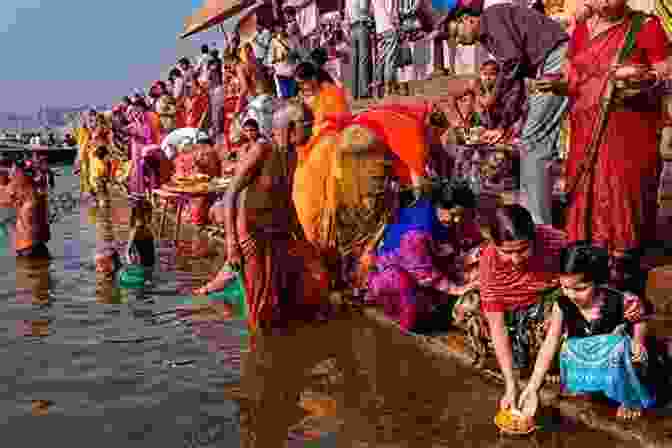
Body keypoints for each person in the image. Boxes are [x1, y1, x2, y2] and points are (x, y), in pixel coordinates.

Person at [552, 0, 670, 292]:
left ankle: (623, 271)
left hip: (628, 132)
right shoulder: (581, 28)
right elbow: (571, 75)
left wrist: (641, 78)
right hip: (585, 127)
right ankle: (586, 265)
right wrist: (555, 85)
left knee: (621, 193)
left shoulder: (645, 26)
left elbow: (664, 75)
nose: (602, 1)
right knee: (586, 193)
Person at [453, 4, 570, 225]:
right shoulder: (492, 36)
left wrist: (494, 98)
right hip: (548, 65)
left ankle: (538, 225)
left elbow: (512, 64)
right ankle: (533, 217)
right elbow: (516, 80)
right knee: (531, 144)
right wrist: (502, 127)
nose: (457, 41)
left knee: (533, 144)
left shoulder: (493, 18)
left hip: (557, 61)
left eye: (454, 33)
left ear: (467, 19)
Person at [218, 116, 328, 342]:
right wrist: (232, 244)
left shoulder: (292, 154)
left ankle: (276, 351)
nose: (310, 129)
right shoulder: (261, 150)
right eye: (306, 124)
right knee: (258, 304)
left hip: (277, 231)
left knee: (279, 300)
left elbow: (287, 202)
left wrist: (304, 242)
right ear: (289, 127)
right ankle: (256, 352)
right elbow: (230, 194)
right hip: (252, 232)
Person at [518, 243, 654, 420]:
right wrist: (533, 386)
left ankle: (628, 398)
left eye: (580, 288)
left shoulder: (620, 300)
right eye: (565, 287)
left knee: (619, 346)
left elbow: (639, 321)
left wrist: (638, 342)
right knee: (567, 347)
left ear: (598, 280)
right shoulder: (562, 305)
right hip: (590, 358)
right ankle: (587, 385)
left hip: (615, 362)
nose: (572, 295)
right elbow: (550, 342)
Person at [478, 204, 566, 411]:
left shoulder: (558, 243)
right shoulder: (489, 265)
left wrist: (534, 387)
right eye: (507, 252)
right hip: (512, 310)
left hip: (545, 301)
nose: (516, 259)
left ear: (535, 237)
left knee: (568, 316)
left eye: (523, 250)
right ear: (494, 244)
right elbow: (497, 327)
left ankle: (552, 365)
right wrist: (510, 384)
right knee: (469, 311)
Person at [366, 179, 481, 332]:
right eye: (453, 215)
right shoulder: (418, 232)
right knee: (414, 317)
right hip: (393, 276)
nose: (457, 220)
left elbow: (452, 247)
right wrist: (457, 289)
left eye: (460, 215)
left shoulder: (441, 217)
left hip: (422, 270)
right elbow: (424, 272)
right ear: (439, 205)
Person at [0, 162, 51, 258]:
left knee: (27, 270)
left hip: (27, 245)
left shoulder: (19, 185)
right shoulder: (37, 188)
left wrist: (3, 180)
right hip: (39, 242)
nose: (10, 173)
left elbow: (4, 198)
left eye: (12, 170)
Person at [345, 0, 374, 99]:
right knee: (363, 59)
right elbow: (363, 8)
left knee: (353, 61)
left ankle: (354, 92)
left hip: (352, 28)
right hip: (362, 25)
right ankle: (364, 91)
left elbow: (347, 15)